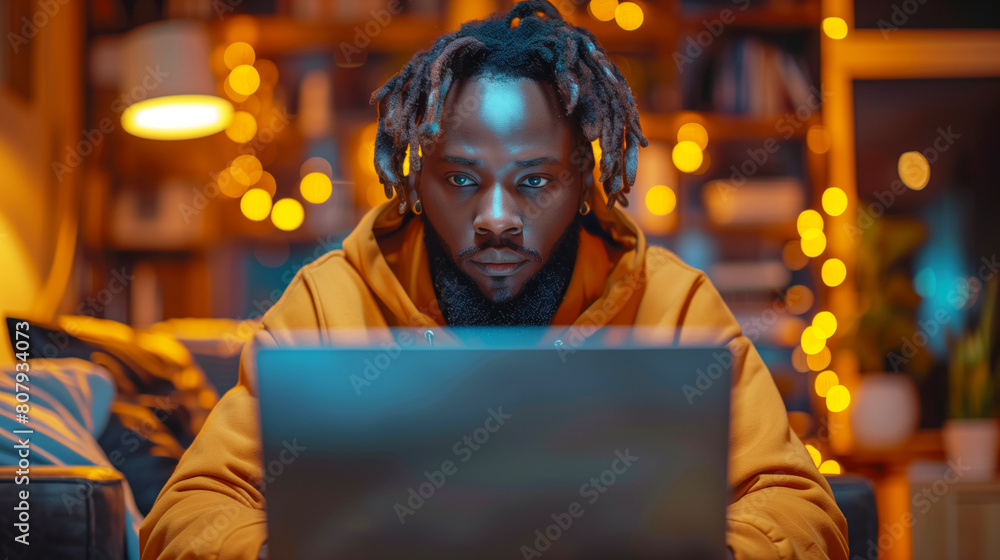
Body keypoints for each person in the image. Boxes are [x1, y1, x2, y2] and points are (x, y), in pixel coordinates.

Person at [140, 2, 848, 558]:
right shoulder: (327, 303)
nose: (497, 219)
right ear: (416, 184)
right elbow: (186, 514)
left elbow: (798, 506)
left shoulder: (678, 304)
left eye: (534, 180)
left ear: (583, 184)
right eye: (462, 181)